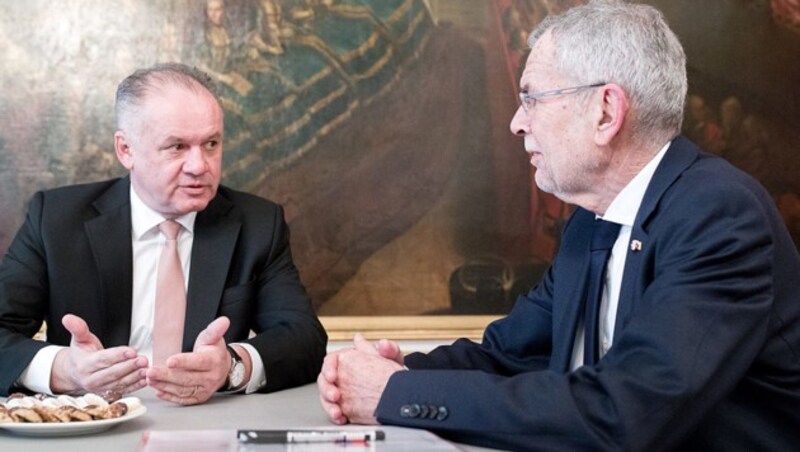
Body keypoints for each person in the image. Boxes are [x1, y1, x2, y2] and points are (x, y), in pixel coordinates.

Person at [317, 1, 800, 450]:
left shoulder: (718, 215)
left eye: (532, 99)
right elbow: (509, 354)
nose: (516, 123)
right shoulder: (590, 222)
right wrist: (384, 373)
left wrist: (395, 392)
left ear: (606, 112)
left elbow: (625, 414)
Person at [0, 63, 327, 405]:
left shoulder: (258, 223)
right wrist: (66, 369)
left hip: (208, 423)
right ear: (126, 150)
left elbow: (304, 338)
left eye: (211, 144)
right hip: (92, 422)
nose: (200, 166)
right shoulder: (55, 220)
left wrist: (231, 366)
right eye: (177, 147)